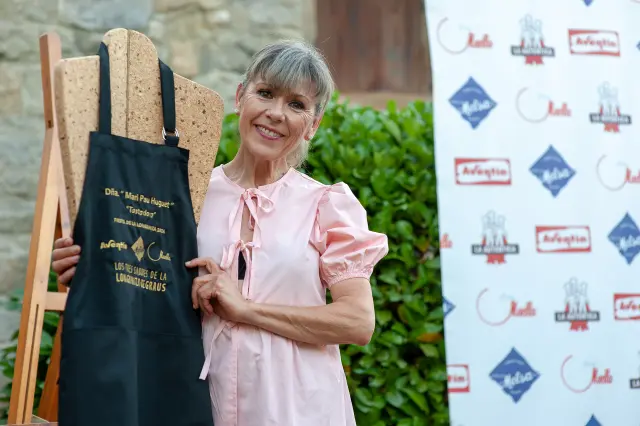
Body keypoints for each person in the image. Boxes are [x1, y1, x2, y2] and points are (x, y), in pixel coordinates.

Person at [51, 39, 389, 426]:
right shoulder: (188, 194)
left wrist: (247, 310)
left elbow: (357, 322)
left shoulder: (326, 205)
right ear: (240, 98)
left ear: (313, 125)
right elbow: (146, 286)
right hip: (197, 403)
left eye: (296, 104)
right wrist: (95, 265)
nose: (276, 113)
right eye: (265, 93)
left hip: (301, 409)